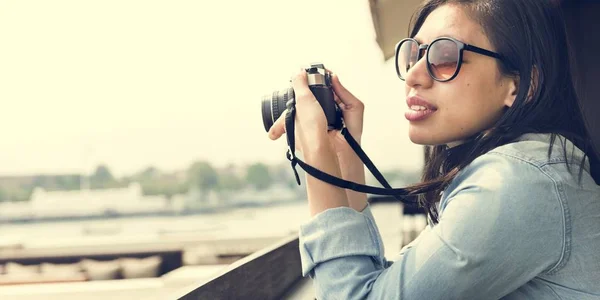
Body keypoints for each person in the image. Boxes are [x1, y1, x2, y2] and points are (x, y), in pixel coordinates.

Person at [267, 0, 600, 299]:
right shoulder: (529, 170)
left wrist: (315, 160)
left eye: (444, 57)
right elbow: (392, 286)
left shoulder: (518, 182)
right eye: (415, 54)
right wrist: (344, 154)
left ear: (520, 85)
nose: (413, 75)